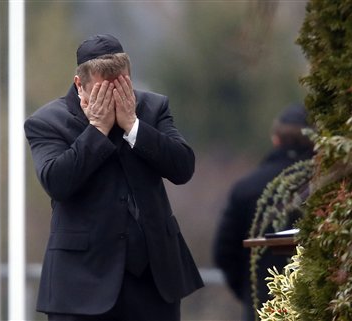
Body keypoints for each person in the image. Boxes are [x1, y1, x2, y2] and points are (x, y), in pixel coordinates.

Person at [24, 34, 203, 321]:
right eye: (102, 91)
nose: (113, 98)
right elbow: (56, 182)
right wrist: (96, 130)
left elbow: (183, 168)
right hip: (81, 284)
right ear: (79, 84)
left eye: (120, 87)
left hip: (153, 280)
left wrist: (133, 126)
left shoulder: (152, 109)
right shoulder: (47, 122)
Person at [212, 103, 314, 321]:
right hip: (319, 302)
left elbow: (224, 252)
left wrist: (250, 292)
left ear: (275, 139)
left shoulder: (247, 187)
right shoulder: (329, 185)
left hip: (263, 303)